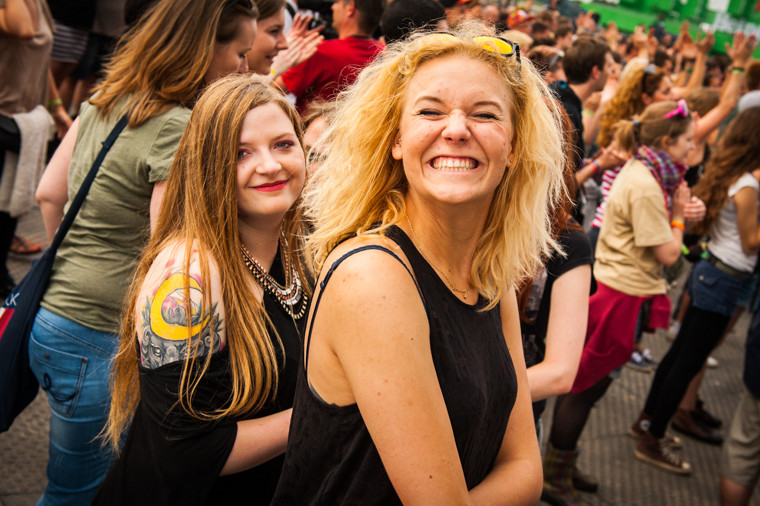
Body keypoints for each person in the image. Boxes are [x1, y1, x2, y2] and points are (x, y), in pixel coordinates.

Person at [272, 23, 566, 504]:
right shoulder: (373, 277)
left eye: (485, 114)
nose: (455, 129)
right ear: (397, 141)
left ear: (513, 147)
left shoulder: (491, 274)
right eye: (430, 111)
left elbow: (526, 471)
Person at [30, 1, 257, 503]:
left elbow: (49, 193)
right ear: (205, 48)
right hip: (99, 337)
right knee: (79, 493)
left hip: (53, 319)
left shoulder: (107, 100)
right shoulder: (176, 126)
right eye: (240, 53)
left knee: (75, 482)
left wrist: (77, 266)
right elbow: (167, 252)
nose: (244, 67)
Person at [94, 74, 310, 505]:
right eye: (240, 153)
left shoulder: (303, 244)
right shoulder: (188, 276)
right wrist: (333, 410)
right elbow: (186, 452)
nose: (269, 165)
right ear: (208, 165)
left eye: (283, 144)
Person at [548, 100, 703, 502]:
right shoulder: (647, 183)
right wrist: (682, 216)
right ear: (666, 141)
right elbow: (669, 254)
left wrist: (682, 211)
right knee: (585, 390)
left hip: (623, 291)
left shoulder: (652, 170)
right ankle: (553, 474)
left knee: (589, 389)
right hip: (621, 297)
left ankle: (562, 463)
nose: (692, 147)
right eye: (688, 140)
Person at [632, 106, 760, 475]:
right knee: (687, 362)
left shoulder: (734, 173)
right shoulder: (748, 184)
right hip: (723, 278)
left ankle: (647, 421)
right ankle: (652, 437)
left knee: (679, 357)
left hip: (713, 273)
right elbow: (751, 243)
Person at [0, 0, 71, 297]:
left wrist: (57, 109)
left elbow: (43, 63)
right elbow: (25, 30)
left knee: (11, 206)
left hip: (24, 121)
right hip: (4, 116)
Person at [274, 0, 386, 114]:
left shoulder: (319, 52)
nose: (332, 7)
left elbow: (271, 90)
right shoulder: (385, 54)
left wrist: (279, 59)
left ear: (350, 9)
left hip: (313, 129)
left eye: (337, 2)